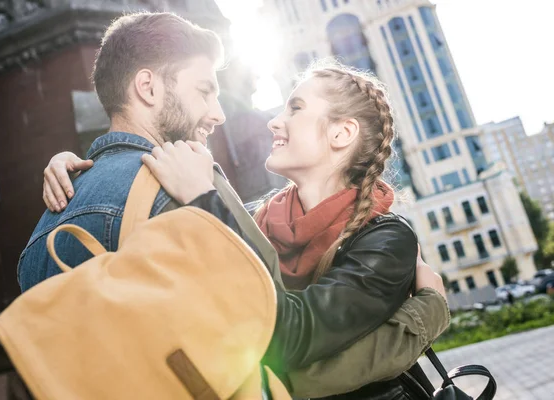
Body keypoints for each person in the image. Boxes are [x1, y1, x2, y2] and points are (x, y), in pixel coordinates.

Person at [22, 11, 449, 399]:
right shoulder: (203, 199)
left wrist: (89, 170)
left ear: (343, 135)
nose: (221, 114)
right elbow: (269, 351)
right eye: (206, 91)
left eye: (295, 108)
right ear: (148, 87)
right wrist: (427, 313)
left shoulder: (49, 221)